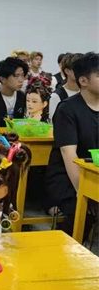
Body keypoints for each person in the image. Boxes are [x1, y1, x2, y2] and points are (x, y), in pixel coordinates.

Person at [45, 52, 99, 235]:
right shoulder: (67, 109)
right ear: (83, 81)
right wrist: (83, 192)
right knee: (83, 212)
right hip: (69, 177)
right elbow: (69, 155)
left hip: (95, 172)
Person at [0, 57, 28, 127]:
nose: (21, 80)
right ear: (2, 79)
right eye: (16, 76)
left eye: (22, 75)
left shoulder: (22, 96)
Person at [48, 53, 83, 121]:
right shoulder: (56, 96)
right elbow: (55, 122)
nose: (82, 72)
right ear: (67, 71)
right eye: (78, 68)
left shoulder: (87, 92)